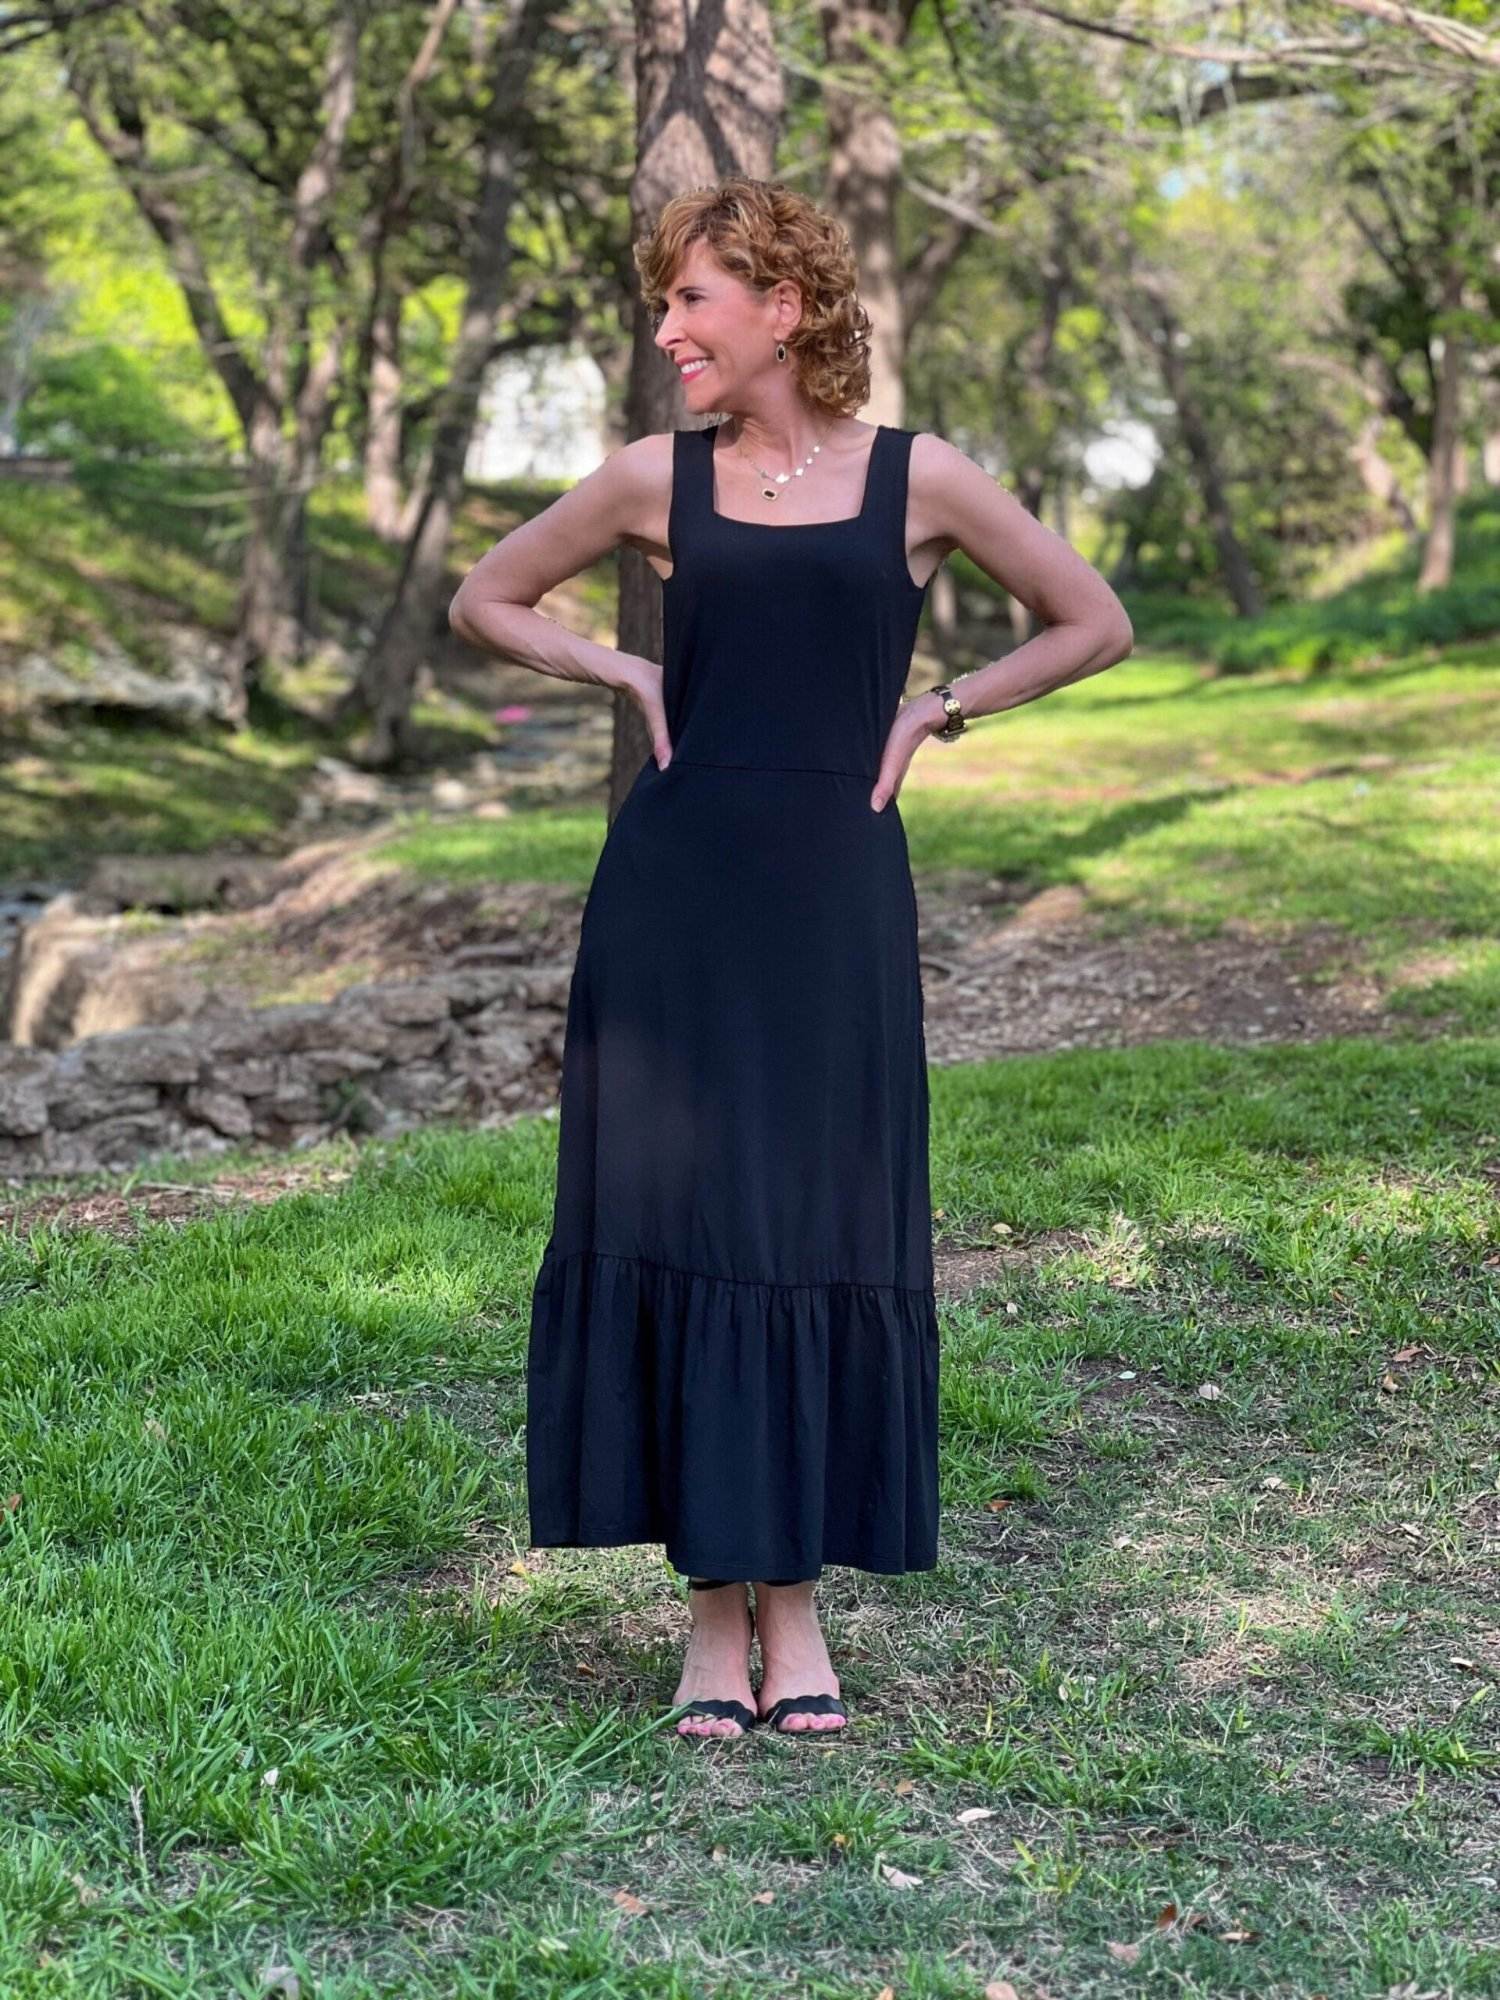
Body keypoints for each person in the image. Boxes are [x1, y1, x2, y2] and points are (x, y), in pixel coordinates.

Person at [449, 175, 1132, 1742]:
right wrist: (618, 659)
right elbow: (488, 596)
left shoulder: (920, 478)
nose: (668, 324)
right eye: (667, 298)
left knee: (819, 1214)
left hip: (835, 895)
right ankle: (707, 1619)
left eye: (693, 298)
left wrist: (935, 706)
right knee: (679, 1209)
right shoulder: (647, 480)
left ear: (787, 307)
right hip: (675, 896)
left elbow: (1089, 622)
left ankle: (801, 1608)